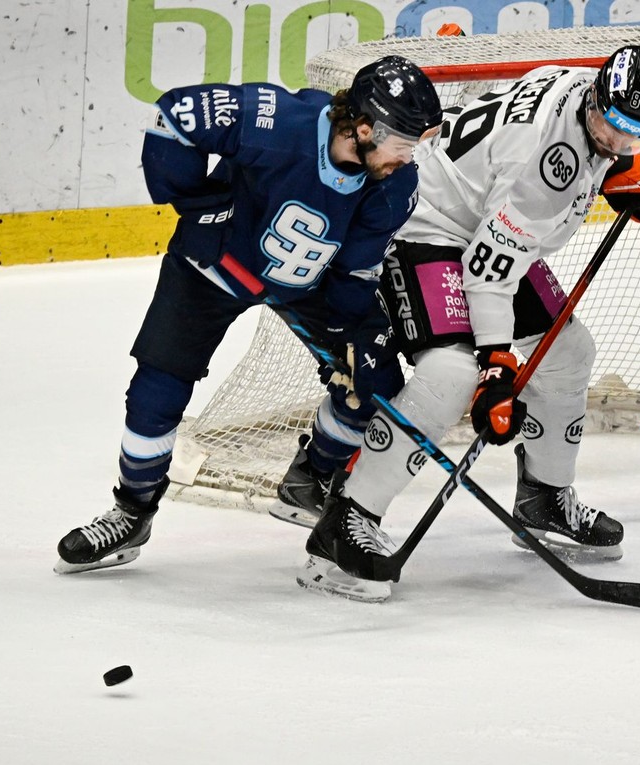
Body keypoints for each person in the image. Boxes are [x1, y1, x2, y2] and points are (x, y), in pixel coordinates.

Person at [286, 45, 640, 603]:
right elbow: (489, 274)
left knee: (567, 352)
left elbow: (508, 237)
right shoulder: (543, 167)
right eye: (610, 127)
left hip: (489, 228)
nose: (617, 140)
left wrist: (621, 165)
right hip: (423, 224)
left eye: (634, 134)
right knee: (451, 372)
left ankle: (544, 498)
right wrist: (497, 367)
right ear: (595, 98)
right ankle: (344, 525)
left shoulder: (582, 88)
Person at [54, 57, 444, 575]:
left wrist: (352, 339)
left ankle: (312, 480)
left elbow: (354, 271)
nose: (410, 156)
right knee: (157, 389)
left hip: (307, 285)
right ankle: (132, 511)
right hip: (213, 267)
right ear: (366, 128)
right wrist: (198, 204)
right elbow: (173, 118)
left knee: (371, 381)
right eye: (404, 141)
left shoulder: (394, 185)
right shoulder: (279, 121)